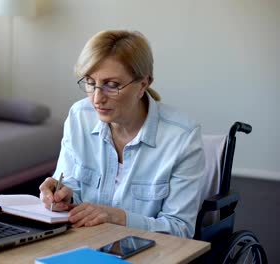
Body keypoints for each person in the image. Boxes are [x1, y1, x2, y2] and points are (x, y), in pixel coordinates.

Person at [39, 30, 205, 238]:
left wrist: (118, 217)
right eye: (90, 83)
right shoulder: (79, 116)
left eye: (112, 85)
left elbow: (180, 229)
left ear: (143, 85)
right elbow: (70, 182)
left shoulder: (182, 137)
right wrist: (62, 195)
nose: (97, 99)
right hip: (82, 243)